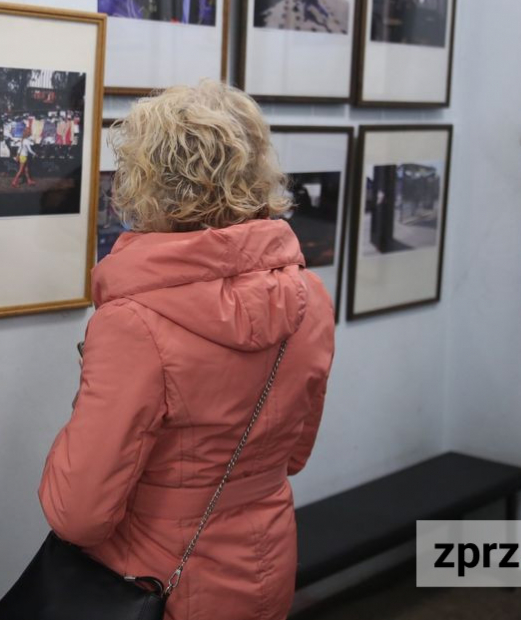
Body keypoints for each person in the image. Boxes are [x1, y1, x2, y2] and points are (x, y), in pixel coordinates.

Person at [38, 81, 336, 620]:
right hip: (266, 560)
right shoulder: (310, 298)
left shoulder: (133, 323)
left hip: (157, 581)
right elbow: (293, 455)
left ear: (148, 180)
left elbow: (77, 514)